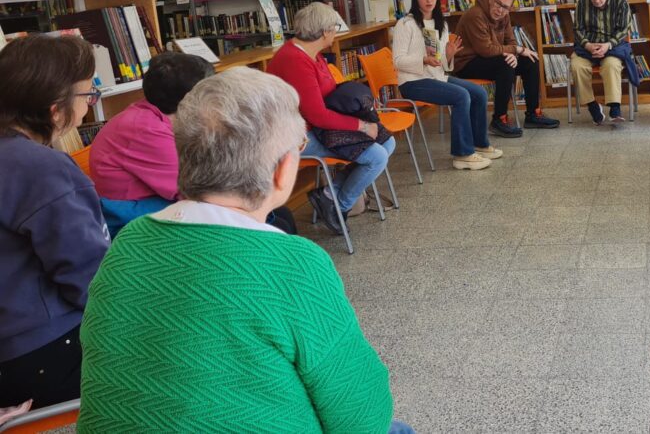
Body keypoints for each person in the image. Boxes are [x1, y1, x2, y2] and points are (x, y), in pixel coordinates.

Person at [78, 68, 408, 433]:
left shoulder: (130, 242)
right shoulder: (295, 264)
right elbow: (363, 418)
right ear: (283, 171)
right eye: (299, 147)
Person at [0, 35, 110, 410]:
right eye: (86, 96)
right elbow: (88, 277)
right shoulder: (41, 170)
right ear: (53, 109)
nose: (89, 107)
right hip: (43, 349)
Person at [267, 2, 394, 234]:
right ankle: (340, 206)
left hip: (318, 126)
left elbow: (330, 96)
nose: (336, 31)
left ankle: (329, 195)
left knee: (387, 141)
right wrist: (361, 126)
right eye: (335, 27)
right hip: (297, 135)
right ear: (325, 31)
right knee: (376, 156)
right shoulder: (295, 60)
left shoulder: (314, 55)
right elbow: (317, 115)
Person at [89, 52, 214, 235]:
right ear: (192, 99)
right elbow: (194, 189)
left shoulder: (155, 115)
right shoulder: (146, 129)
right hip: (128, 222)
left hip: (149, 206)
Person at [394, 0, 501, 170]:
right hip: (412, 82)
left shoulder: (440, 24)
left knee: (479, 93)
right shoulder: (405, 24)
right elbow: (398, 61)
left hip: (437, 77)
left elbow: (442, 64)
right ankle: (462, 154)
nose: (429, 0)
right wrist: (422, 60)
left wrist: (448, 55)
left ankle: (480, 144)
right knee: (461, 96)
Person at [453, 0, 560, 137]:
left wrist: (514, 54)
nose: (500, 10)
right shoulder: (475, 15)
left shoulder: (504, 16)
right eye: (498, 4)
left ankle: (533, 114)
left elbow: (511, 41)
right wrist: (515, 51)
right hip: (467, 62)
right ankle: (499, 119)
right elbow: (485, 49)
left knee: (531, 60)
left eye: (505, 7)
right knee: (506, 65)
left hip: (492, 57)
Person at [571, 0, 639, 125]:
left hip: (612, 46)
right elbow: (577, 29)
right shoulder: (582, 3)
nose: (596, 0)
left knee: (611, 65)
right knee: (576, 66)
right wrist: (587, 45)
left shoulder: (620, 3)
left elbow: (624, 29)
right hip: (587, 47)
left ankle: (615, 109)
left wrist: (608, 44)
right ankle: (592, 105)